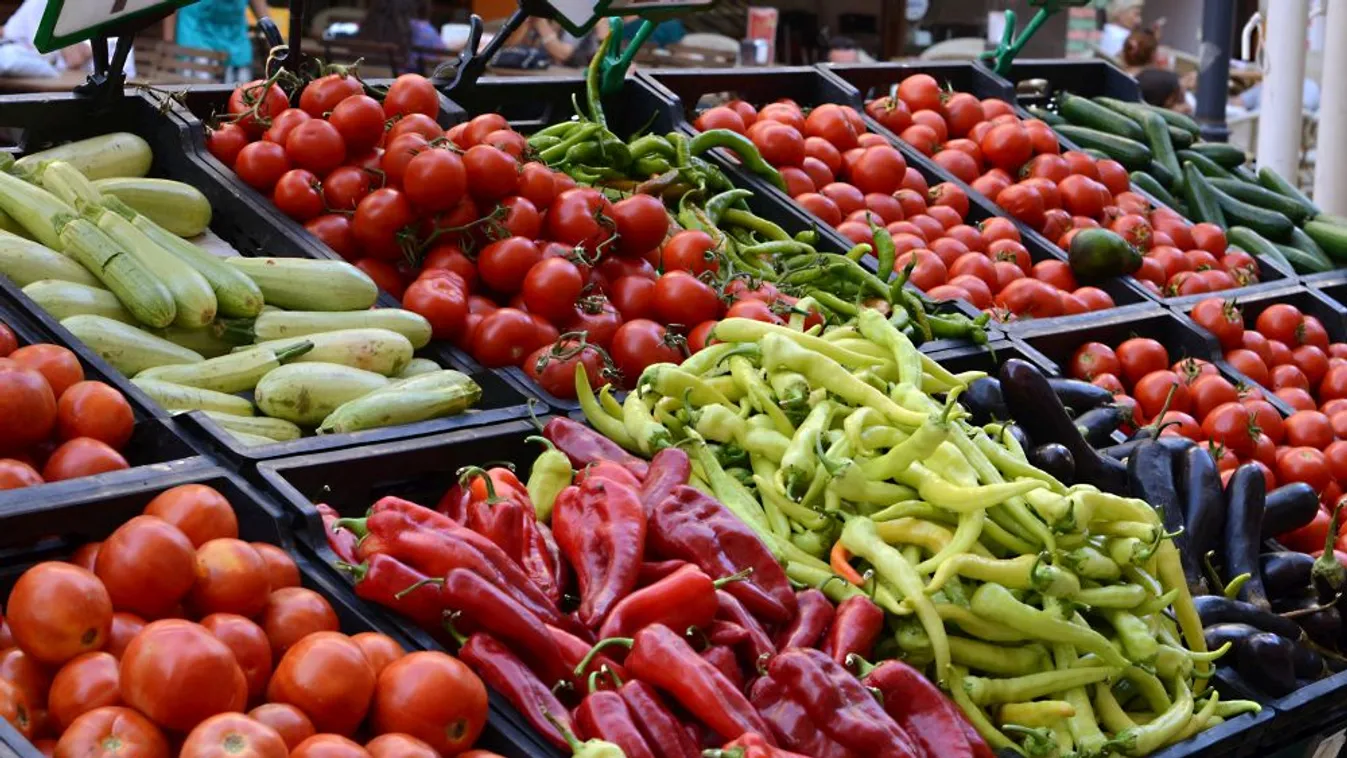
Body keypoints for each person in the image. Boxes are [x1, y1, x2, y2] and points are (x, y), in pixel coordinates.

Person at [1, 0, 136, 78]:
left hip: (112, 88)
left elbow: (75, 58)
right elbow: (6, 32)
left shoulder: (104, 7)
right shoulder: (40, 3)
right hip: (65, 85)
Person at [166, 0, 271, 83]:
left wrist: (272, 38)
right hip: (197, 43)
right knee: (197, 102)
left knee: (238, 101)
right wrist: (168, 44)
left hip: (237, 46)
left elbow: (259, 3)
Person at [357, 0, 448, 74]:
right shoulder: (419, 28)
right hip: (403, 80)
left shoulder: (369, 26)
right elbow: (442, 53)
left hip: (368, 78)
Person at [512, 17, 610, 69]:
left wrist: (541, 25)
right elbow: (514, 48)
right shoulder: (548, 14)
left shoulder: (586, 14)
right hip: (537, 76)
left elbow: (572, 57)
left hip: (573, 83)